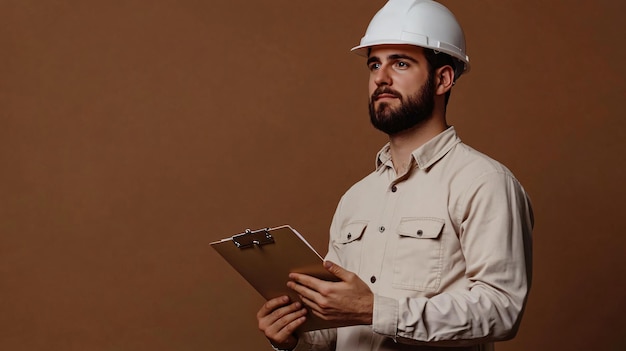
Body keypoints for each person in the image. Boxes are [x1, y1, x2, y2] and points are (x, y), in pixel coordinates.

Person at [256, 1, 534, 350]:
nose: (380, 78)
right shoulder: (355, 199)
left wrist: (376, 309)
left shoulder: (484, 182)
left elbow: (502, 309)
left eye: (400, 63)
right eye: (375, 64)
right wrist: (292, 336)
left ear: (443, 78)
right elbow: (337, 328)